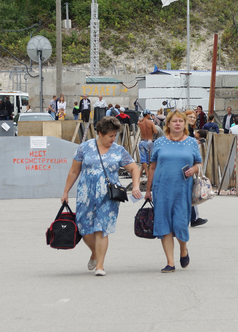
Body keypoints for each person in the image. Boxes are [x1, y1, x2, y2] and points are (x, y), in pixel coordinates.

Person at [60, 116, 141, 276]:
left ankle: (100, 266)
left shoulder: (118, 150)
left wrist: (136, 185)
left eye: (115, 135)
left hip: (108, 196)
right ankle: (95, 254)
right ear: (99, 133)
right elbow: (74, 170)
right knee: (84, 229)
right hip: (86, 194)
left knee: (102, 229)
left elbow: (134, 168)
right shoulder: (85, 147)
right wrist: (65, 191)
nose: (113, 138)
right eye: (110, 135)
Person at [145, 110, 203, 272]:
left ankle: (183, 249)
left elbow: (200, 163)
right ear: (168, 124)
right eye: (174, 121)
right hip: (161, 189)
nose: (177, 123)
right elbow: (152, 167)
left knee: (180, 223)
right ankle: (170, 262)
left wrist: (194, 169)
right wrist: (148, 190)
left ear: (185, 124)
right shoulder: (159, 143)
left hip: (182, 189)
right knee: (164, 224)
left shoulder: (192, 142)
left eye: (181, 121)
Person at [138, 109, 155, 178]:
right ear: (148, 115)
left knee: (143, 158)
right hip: (149, 141)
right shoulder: (151, 122)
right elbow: (155, 131)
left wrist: (141, 120)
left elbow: (138, 122)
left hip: (142, 141)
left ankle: (142, 173)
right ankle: (148, 173)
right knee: (149, 158)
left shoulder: (140, 123)